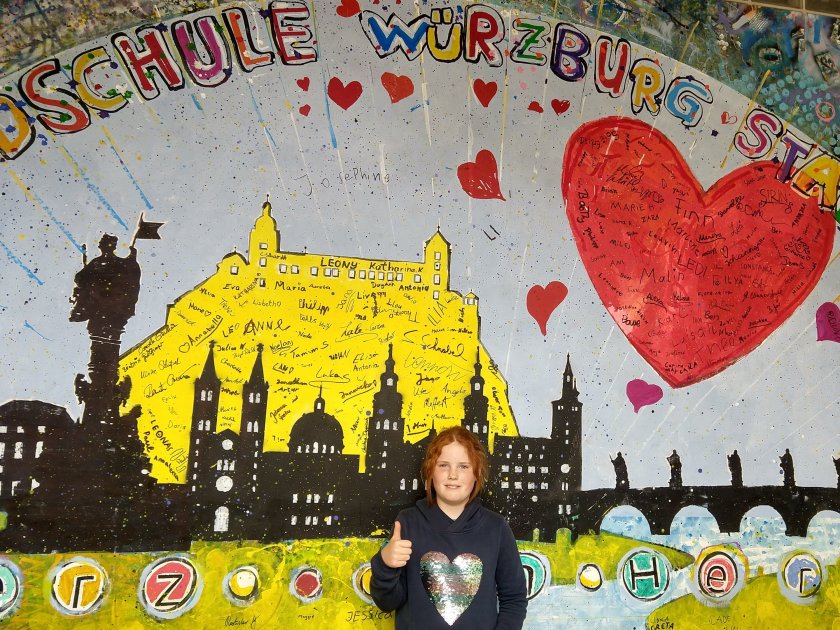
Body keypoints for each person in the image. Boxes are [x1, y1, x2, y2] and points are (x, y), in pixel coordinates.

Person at [370, 426, 527, 629]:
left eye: (463, 466)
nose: (453, 474)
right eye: (443, 465)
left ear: (477, 473)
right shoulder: (407, 523)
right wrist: (385, 564)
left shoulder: (496, 528)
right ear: (430, 471)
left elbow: (514, 599)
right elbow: (387, 603)